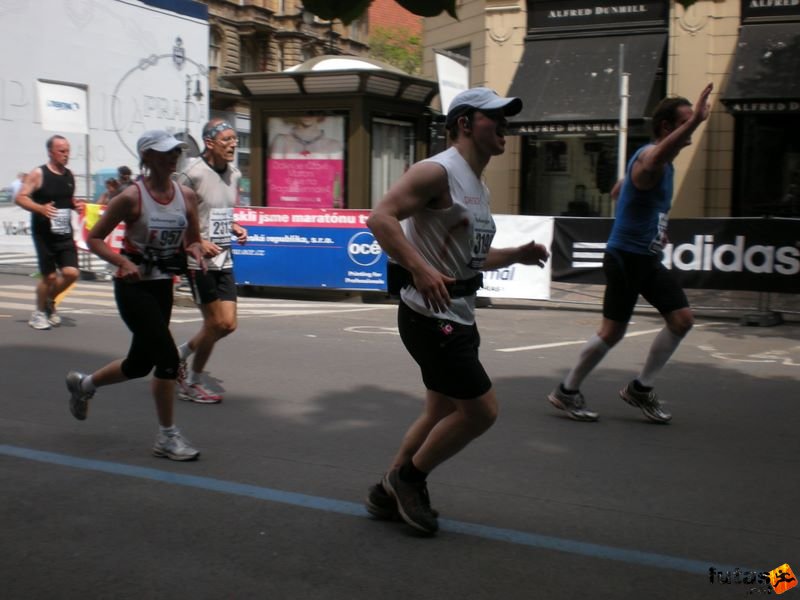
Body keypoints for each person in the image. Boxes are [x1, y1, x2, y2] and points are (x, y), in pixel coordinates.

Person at [365, 87, 551, 535]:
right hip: (431, 317)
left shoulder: (476, 184)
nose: (505, 125)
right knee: (481, 411)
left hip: (458, 312)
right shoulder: (437, 171)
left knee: (440, 411)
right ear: (465, 123)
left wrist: (518, 254)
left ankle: (386, 491)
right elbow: (380, 218)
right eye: (495, 117)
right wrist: (421, 269)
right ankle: (408, 479)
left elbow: (469, 259)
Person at [547, 83, 714, 424]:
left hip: (646, 259)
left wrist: (654, 226)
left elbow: (618, 190)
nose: (692, 131)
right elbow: (648, 162)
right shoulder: (652, 159)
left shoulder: (658, 166)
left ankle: (640, 389)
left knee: (681, 320)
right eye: (686, 124)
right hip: (625, 259)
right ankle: (567, 391)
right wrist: (696, 118)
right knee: (612, 332)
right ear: (668, 127)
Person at [65, 130, 206, 461]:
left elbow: (193, 240)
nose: (173, 157)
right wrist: (122, 260)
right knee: (168, 359)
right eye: (164, 152)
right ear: (147, 157)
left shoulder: (185, 195)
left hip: (162, 286)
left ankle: (84, 385)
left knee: (140, 364)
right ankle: (167, 437)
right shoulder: (131, 197)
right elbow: (95, 237)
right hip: (133, 287)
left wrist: (197, 250)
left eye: (175, 151)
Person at [174, 119, 247, 403]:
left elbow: (220, 212)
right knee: (214, 323)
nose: (233, 144)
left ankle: (179, 355)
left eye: (235, 139)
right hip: (198, 260)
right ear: (210, 143)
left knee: (228, 325)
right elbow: (176, 216)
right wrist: (198, 241)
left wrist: (235, 226)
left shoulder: (235, 174)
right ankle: (191, 382)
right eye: (227, 139)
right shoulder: (191, 175)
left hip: (225, 257)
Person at [15, 135, 83, 330]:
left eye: (68, 150)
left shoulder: (69, 175)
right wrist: (41, 209)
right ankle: (38, 313)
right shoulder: (38, 173)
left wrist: (74, 204)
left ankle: (49, 300)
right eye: (62, 151)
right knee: (50, 277)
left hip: (64, 232)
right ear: (50, 152)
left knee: (71, 273)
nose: (66, 154)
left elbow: (66, 199)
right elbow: (20, 198)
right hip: (44, 233)